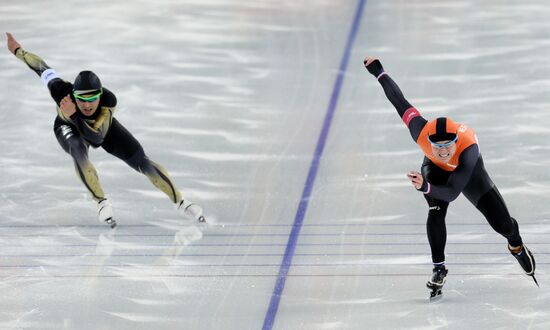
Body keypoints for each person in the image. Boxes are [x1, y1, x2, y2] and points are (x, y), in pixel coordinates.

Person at [363, 56, 537, 288]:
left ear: (456, 142)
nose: (443, 151)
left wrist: (424, 187)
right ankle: (439, 268)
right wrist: (379, 72)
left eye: (447, 146)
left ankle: (516, 245)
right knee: (435, 210)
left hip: (470, 173)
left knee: (503, 226)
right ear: (429, 142)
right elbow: (398, 100)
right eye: (438, 147)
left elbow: (454, 191)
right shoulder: (420, 130)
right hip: (434, 169)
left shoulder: (468, 149)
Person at [6, 32, 206, 229]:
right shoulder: (60, 90)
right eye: (81, 99)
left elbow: (96, 139)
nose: (87, 105)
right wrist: (18, 50)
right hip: (67, 127)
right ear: (73, 95)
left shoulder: (108, 102)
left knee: (142, 162)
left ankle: (180, 202)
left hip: (100, 130)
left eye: (92, 99)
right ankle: (101, 201)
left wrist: (76, 114)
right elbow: (40, 67)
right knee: (77, 147)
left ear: (100, 96)